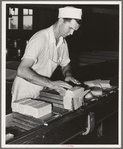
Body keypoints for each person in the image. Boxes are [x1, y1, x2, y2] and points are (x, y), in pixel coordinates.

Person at [11, 6, 82, 110]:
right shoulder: (40, 38)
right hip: (25, 89)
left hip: (42, 87)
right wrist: (51, 84)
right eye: (70, 28)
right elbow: (22, 70)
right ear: (61, 20)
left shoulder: (63, 42)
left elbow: (65, 64)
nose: (71, 33)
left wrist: (68, 74)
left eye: (74, 30)